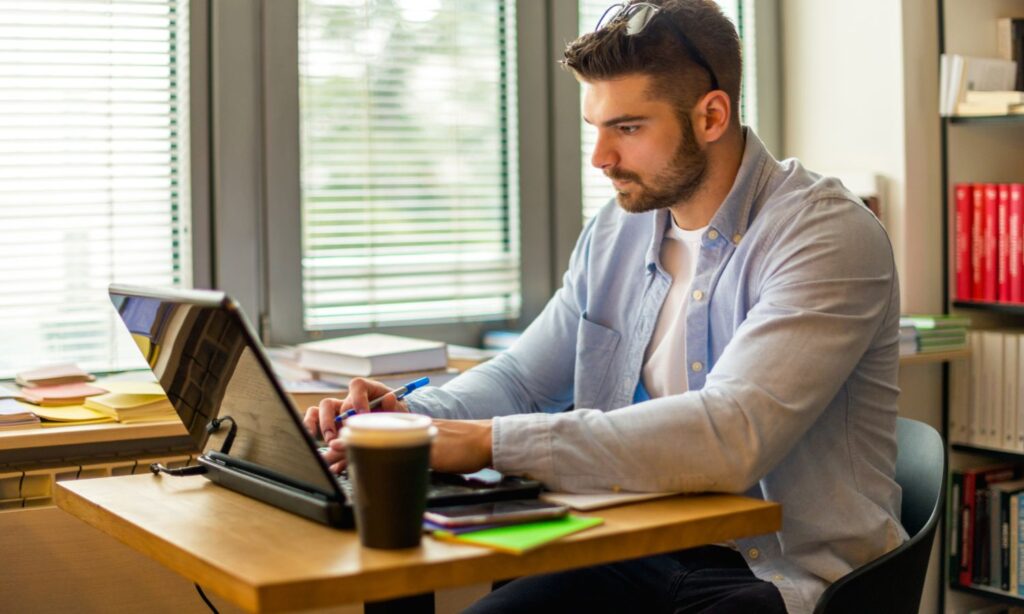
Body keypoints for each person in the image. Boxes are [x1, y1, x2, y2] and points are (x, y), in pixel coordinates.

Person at [304, 1, 904, 612]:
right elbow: (522, 380)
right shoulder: (618, 230)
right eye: (596, 127)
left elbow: (730, 436)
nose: (600, 157)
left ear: (712, 116)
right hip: (627, 546)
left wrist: (490, 443)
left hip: (771, 574)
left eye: (628, 127)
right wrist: (407, 422)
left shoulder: (824, 234)